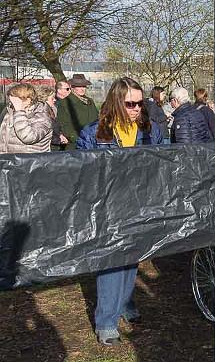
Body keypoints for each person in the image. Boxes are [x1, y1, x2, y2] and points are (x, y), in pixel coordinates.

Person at [76, 77, 162, 346]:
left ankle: (124, 302)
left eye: (140, 102)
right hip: (108, 208)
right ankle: (106, 321)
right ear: (116, 102)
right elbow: (81, 173)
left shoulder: (152, 131)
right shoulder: (94, 133)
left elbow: (164, 165)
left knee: (132, 258)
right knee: (112, 262)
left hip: (140, 206)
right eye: (130, 103)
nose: (137, 108)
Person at [0, 83, 52, 154]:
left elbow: (29, 138)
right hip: (9, 161)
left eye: (15, 99)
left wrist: (19, 111)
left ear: (28, 99)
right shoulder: (9, 111)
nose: (12, 102)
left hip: (30, 162)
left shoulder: (41, 116)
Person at [57, 73, 99, 149]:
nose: (82, 89)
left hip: (93, 141)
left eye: (84, 86)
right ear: (72, 87)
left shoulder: (90, 101)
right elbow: (64, 125)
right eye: (79, 86)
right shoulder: (65, 103)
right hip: (76, 145)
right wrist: (77, 139)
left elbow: (96, 120)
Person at [37, 86, 69, 150]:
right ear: (44, 98)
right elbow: (44, 134)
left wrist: (60, 135)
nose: (54, 100)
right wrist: (59, 140)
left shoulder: (50, 110)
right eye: (52, 98)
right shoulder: (41, 113)